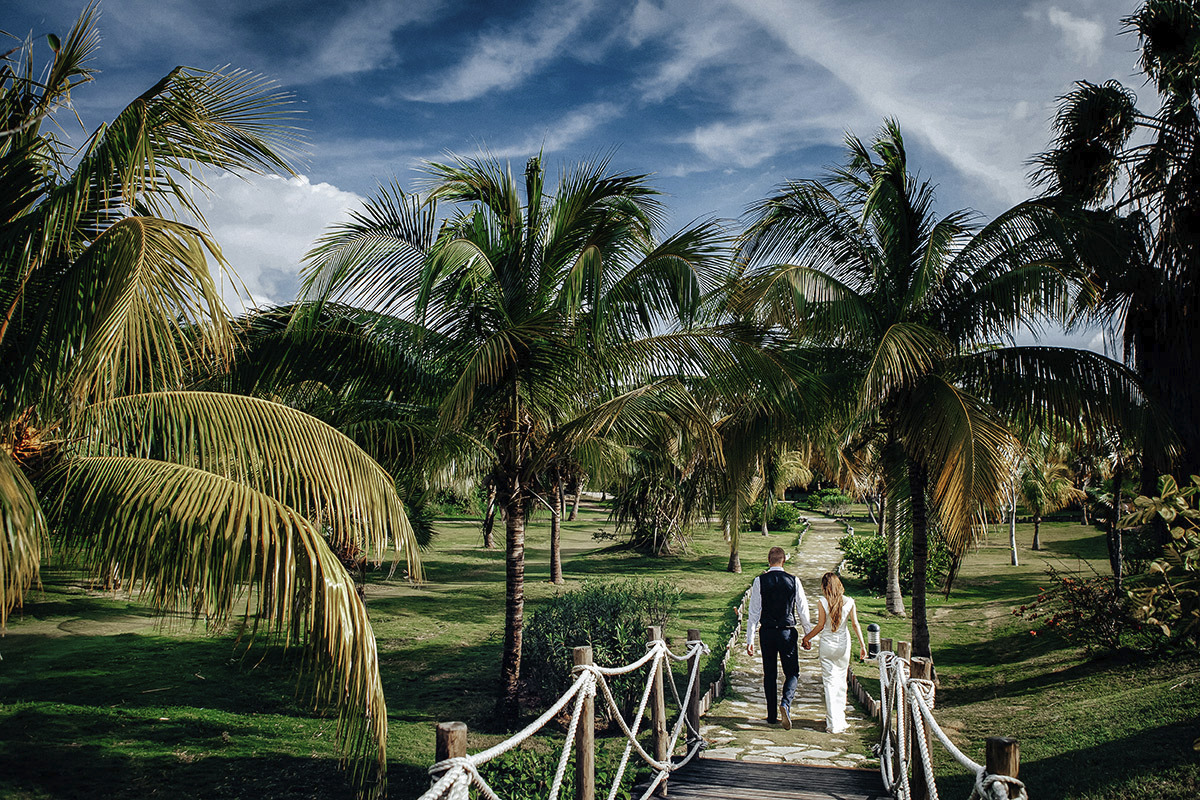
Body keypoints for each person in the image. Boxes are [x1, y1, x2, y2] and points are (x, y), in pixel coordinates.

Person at [745, 545, 812, 729]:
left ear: (769, 561)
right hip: (787, 631)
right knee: (792, 672)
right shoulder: (793, 580)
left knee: (770, 674)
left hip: (767, 631)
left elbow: (754, 612)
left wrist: (749, 639)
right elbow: (802, 609)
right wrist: (808, 634)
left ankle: (771, 716)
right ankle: (786, 702)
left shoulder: (759, 581)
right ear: (784, 560)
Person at [801, 572, 867, 734]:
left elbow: (820, 626)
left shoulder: (822, 602)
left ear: (824, 587)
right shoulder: (849, 602)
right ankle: (840, 720)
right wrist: (863, 645)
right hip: (843, 645)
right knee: (841, 683)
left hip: (827, 646)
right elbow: (855, 624)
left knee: (829, 683)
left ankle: (832, 723)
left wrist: (807, 638)